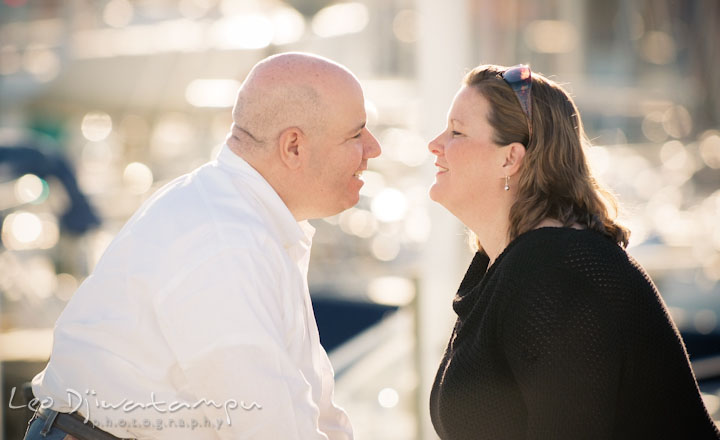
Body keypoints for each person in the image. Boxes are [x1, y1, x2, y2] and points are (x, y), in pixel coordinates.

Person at [24, 52, 381, 440]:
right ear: (293, 146)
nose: (374, 148)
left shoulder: (242, 221)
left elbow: (309, 408)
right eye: (356, 134)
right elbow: (267, 427)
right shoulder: (225, 242)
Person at [427, 64, 720, 439]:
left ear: (510, 158)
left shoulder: (555, 268)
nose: (435, 144)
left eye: (457, 131)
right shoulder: (512, 262)